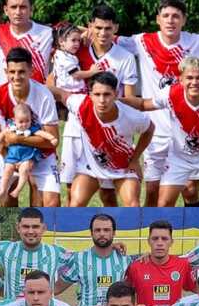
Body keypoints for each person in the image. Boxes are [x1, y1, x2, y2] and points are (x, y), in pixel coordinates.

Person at [116, 0, 199, 207]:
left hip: (187, 131)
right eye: (166, 15)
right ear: (158, 19)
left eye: (176, 16)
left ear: (183, 20)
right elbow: (102, 36)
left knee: (189, 189)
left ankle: (194, 230)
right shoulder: (142, 41)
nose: (171, 20)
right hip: (156, 130)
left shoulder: (198, 41)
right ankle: (151, 234)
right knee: (152, 190)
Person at [122, 56, 199, 207]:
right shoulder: (170, 94)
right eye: (189, 78)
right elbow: (143, 104)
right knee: (164, 203)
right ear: (181, 79)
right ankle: (177, 230)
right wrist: (117, 100)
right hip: (180, 158)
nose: (194, 82)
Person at [59, 5, 139, 207]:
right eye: (98, 28)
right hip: (77, 127)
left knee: (108, 193)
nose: (103, 33)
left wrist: (105, 103)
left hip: (111, 130)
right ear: (90, 26)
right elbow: (54, 82)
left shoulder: (125, 58)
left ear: (115, 29)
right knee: (72, 192)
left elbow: (129, 98)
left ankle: (112, 230)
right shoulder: (76, 50)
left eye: (108, 28)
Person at [51, 71, 154, 207]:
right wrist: (32, 84)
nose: (101, 100)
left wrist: (135, 160)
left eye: (107, 94)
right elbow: (60, 94)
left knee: (133, 205)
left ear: (116, 94)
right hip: (91, 167)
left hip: (123, 166)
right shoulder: (80, 104)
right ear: (90, 94)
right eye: (97, 94)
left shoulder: (131, 116)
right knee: (75, 204)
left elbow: (150, 128)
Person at [0, 47, 61, 206]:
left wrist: (18, 139)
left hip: (41, 155)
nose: (16, 77)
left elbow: (52, 140)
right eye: (12, 72)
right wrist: (12, 161)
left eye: (22, 72)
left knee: (51, 203)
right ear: (6, 71)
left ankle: (43, 229)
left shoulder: (43, 95)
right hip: (9, 155)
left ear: (31, 70)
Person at [0, 103, 59, 200]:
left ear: (31, 119)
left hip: (27, 157)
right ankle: (2, 190)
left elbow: (41, 133)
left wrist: (52, 138)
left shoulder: (31, 129)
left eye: (27, 121)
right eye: (21, 122)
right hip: (12, 156)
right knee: (7, 171)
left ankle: (18, 190)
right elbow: (2, 134)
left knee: (24, 170)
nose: (24, 124)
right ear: (14, 120)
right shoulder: (11, 127)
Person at [0, 0, 54, 85]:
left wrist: (88, 32)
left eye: (23, 7)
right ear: (6, 10)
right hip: (5, 98)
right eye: (13, 7)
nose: (18, 12)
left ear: (31, 9)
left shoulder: (48, 34)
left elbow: (73, 34)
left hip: (36, 96)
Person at [50, 23, 100, 94]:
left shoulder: (62, 54)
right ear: (61, 41)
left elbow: (82, 34)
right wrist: (92, 72)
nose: (77, 43)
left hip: (70, 91)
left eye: (79, 40)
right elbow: (76, 75)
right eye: (73, 40)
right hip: (72, 93)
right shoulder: (64, 58)